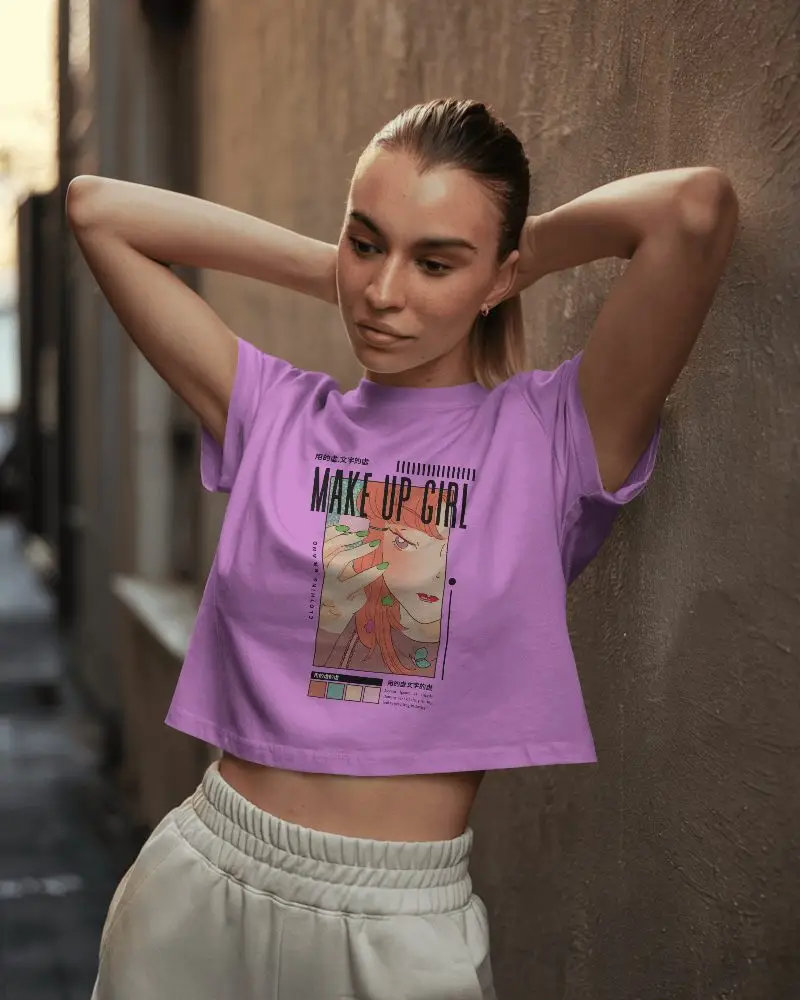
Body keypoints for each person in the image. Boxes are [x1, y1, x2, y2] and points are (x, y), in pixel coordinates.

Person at [68, 98, 738, 1000]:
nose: (385, 296)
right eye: (367, 243)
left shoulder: (550, 437)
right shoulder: (272, 411)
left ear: (499, 278)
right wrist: (340, 271)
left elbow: (693, 211)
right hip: (200, 881)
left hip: (399, 926)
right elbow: (96, 209)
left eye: (435, 261)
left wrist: (510, 259)